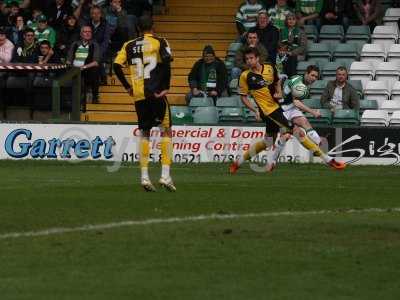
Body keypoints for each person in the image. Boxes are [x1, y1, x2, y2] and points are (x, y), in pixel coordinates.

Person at [229, 47, 346, 174]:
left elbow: (277, 82)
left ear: (257, 58)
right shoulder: (245, 76)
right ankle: (329, 160)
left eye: (251, 58)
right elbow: (243, 97)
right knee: (297, 132)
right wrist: (255, 110)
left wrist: (279, 92)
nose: (249, 61)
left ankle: (237, 163)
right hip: (268, 111)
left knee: (267, 142)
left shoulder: (269, 68)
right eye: (247, 59)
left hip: (277, 108)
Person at [113, 15, 175, 192]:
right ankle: (164, 175)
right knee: (166, 131)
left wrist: (127, 87)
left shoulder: (129, 45)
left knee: (145, 133)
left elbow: (116, 66)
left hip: (139, 95)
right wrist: (166, 87)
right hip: (155, 93)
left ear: (138, 28)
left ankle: (145, 177)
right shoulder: (160, 41)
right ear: (152, 26)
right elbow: (167, 62)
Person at [267, 65, 332, 171]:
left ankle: (321, 147)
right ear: (306, 73)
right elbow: (296, 102)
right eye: (312, 75)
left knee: (303, 122)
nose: (314, 78)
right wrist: (313, 112)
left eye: (316, 76)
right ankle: (273, 160)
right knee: (286, 136)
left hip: (290, 109)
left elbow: (295, 101)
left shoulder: (303, 83)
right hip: (281, 110)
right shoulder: (299, 83)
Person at [67, 25, 101, 106]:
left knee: (95, 70)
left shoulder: (94, 45)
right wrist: (69, 65)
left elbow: (96, 62)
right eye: (85, 32)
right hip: (74, 69)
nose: (88, 33)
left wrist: (83, 67)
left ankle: (95, 97)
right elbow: (69, 59)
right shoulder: (75, 44)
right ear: (81, 34)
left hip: (87, 69)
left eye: (89, 32)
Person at [279, 12, 307, 78]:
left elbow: (303, 46)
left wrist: (292, 52)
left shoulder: (301, 31)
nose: (291, 21)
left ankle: (291, 77)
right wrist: (282, 49)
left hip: (297, 54)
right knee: (283, 57)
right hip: (284, 53)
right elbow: (279, 43)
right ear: (286, 20)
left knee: (290, 57)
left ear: (296, 21)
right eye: (289, 19)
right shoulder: (282, 31)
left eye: (293, 19)